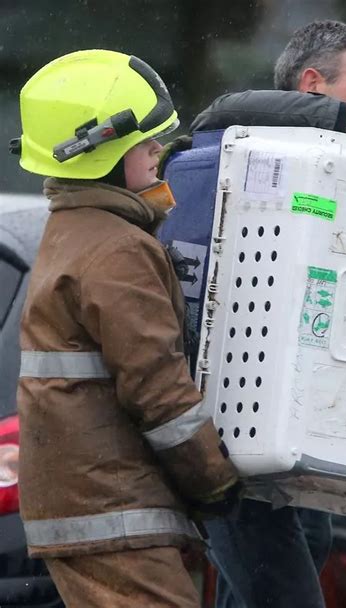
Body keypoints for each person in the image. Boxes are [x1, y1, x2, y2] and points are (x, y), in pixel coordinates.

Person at [189, 20, 346, 608]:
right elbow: (219, 109)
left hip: (298, 452)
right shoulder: (245, 147)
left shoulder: (333, 185)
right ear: (313, 85)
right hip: (231, 447)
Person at [12, 49, 241, 608]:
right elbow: (157, 389)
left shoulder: (75, 229)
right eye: (147, 142)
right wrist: (216, 482)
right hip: (113, 509)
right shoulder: (118, 248)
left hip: (90, 503)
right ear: (102, 152)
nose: (159, 150)